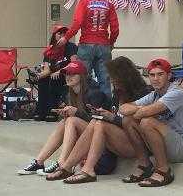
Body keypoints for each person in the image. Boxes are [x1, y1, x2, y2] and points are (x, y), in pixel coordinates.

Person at [50, 56, 152, 184]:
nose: (111, 80)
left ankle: (86, 169)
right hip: (118, 138)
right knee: (93, 122)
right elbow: (117, 119)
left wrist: (111, 117)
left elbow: (136, 125)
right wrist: (106, 115)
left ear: (125, 76)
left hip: (136, 143)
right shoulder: (118, 94)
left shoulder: (143, 94)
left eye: (114, 76)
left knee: (98, 124)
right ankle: (66, 166)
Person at [17, 59, 110, 177]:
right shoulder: (70, 93)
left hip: (102, 147)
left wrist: (76, 113)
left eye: (73, 74)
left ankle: (62, 162)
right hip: (86, 139)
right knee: (65, 121)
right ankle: (39, 162)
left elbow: (97, 121)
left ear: (81, 76)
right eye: (67, 73)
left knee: (71, 120)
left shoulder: (95, 93)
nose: (68, 77)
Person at [118, 58, 183, 187]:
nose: (155, 78)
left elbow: (141, 114)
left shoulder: (176, 92)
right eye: (152, 75)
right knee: (128, 120)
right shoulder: (154, 94)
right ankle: (144, 165)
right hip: (166, 142)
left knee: (147, 122)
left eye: (160, 74)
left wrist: (141, 110)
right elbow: (123, 109)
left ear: (169, 76)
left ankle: (163, 170)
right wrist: (141, 109)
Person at [57, 0, 119, 98]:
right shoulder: (109, 5)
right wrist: (111, 42)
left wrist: (66, 37)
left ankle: (83, 107)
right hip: (104, 45)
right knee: (104, 80)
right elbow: (115, 28)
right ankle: (106, 109)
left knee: (82, 78)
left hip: (86, 45)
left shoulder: (84, 3)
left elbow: (77, 23)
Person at [31, 25, 78, 121]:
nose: (62, 35)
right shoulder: (50, 50)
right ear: (54, 36)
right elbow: (47, 70)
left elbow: (74, 64)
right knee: (43, 80)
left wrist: (60, 71)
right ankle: (42, 111)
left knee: (53, 79)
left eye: (64, 33)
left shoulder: (71, 47)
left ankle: (52, 111)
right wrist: (38, 75)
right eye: (59, 33)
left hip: (67, 75)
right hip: (53, 75)